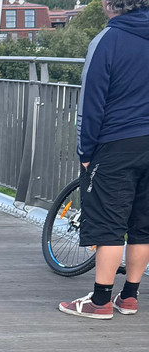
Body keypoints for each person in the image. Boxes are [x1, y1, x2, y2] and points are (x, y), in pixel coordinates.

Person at [59, 0, 149, 319]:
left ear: (111, 5)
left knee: (110, 224)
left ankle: (99, 302)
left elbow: (91, 100)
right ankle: (130, 297)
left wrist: (86, 152)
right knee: (144, 225)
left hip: (117, 142)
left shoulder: (108, 39)